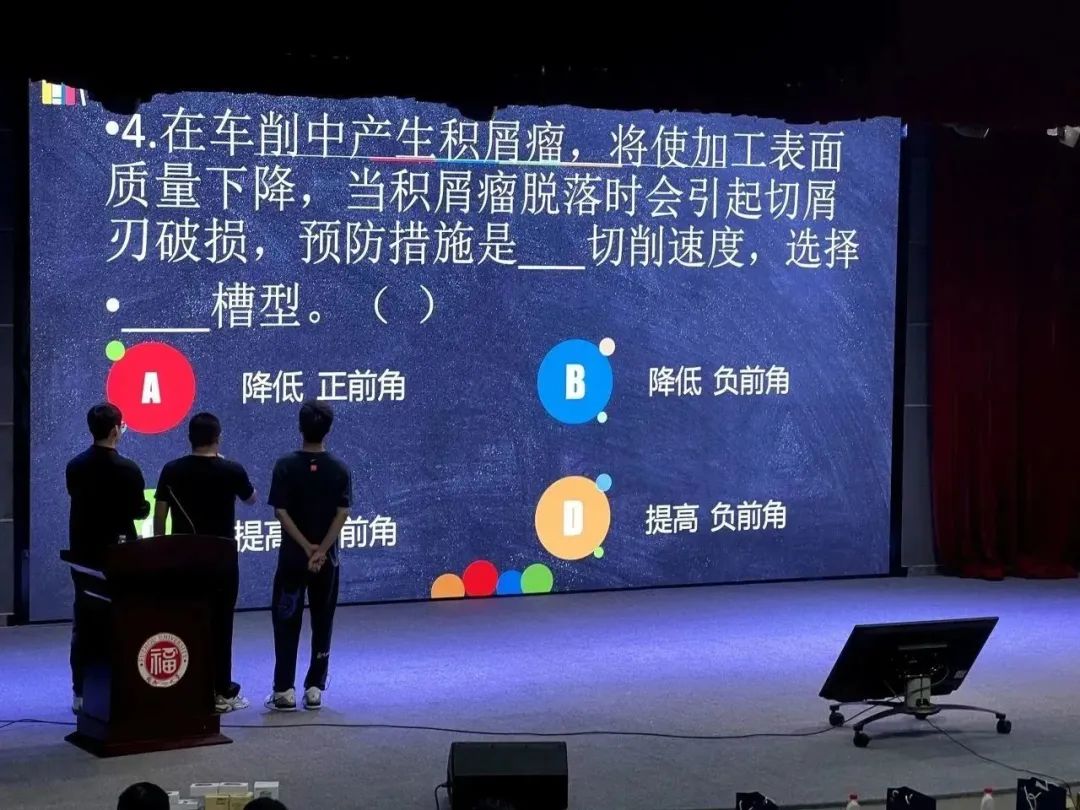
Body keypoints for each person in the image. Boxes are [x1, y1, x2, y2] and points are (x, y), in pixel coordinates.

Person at [154, 412, 257, 713]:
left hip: (183, 557)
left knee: (185, 620)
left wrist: (162, 549)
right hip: (221, 560)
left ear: (190, 438)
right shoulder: (231, 469)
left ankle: (185, 686)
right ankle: (221, 691)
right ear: (218, 438)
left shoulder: (172, 470)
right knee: (221, 624)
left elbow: (160, 515)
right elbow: (251, 498)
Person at [266, 401, 351, 712]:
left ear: (300, 427)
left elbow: (280, 512)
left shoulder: (285, 465)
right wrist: (321, 550)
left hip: (292, 558)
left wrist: (305, 547)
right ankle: (314, 688)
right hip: (327, 562)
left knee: (286, 619)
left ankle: (283, 690)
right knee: (322, 619)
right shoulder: (339, 468)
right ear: (328, 429)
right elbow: (342, 512)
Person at [66, 403, 149, 715]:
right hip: (120, 556)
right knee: (122, 620)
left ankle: (80, 691)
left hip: (83, 556)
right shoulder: (128, 469)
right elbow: (139, 509)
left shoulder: (75, 466)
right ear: (116, 430)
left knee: (84, 622)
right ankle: (122, 687)